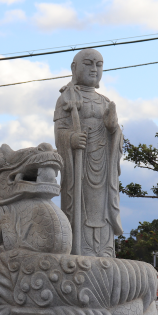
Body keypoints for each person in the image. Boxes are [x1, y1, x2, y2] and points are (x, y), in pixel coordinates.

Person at [53, 48, 122, 257]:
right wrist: (71, 139)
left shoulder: (105, 101)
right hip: (78, 167)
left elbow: (117, 135)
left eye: (99, 65)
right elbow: (59, 133)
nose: (94, 69)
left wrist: (113, 129)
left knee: (102, 207)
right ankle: (82, 249)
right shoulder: (67, 98)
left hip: (103, 167)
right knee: (80, 207)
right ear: (74, 68)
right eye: (89, 64)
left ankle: (104, 248)